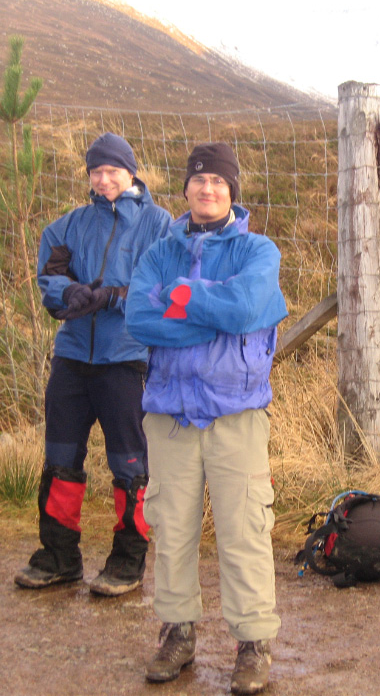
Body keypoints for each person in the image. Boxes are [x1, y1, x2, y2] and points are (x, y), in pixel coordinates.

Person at [125, 142, 288, 694]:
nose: (208, 189)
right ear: (187, 188)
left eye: (218, 181)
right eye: (199, 180)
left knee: (245, 530)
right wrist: (213, 310)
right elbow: (139, 318)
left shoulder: (259, 251)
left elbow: (245, 308)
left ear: (232, 190)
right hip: (169, 413)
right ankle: (177, 633)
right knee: (171, 529)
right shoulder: (159, 252)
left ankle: (253, 643)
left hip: (235, 414)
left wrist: (180, 296)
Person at [14, 133, 172, 596]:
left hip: (126, 360)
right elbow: (50, 272)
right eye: (96, 172)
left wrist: (114, 296)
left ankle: (128, 560)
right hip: (72, 356)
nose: (104, 180)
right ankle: (59, 557)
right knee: (60, 458)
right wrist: (69, 292)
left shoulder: (159, 225)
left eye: (112, 171)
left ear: (131, 172)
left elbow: (162, 287)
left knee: (130, 464)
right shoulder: (69, 225)